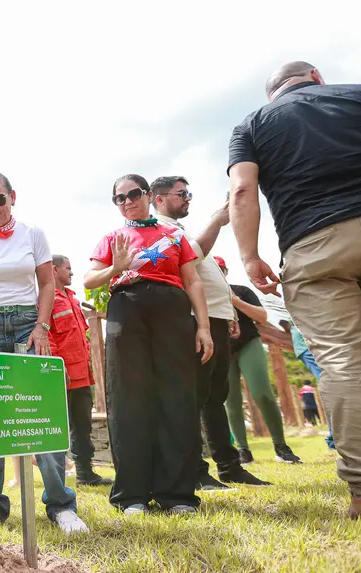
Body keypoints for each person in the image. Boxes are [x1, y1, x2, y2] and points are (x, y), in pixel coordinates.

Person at [227, 51, 361, 520]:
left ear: (273, 92)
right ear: (317, 78)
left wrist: (249, 256)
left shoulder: (252, 125)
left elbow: (242, 190)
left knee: (341, 363)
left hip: (314, 244)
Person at [0, 171, 87, 534]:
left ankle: (61, 505)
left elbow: (47, 282)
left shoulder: (32, 234)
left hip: (29, 324)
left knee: (44, 412)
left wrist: (41, 326)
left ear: (12, 196)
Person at [84, 174, 213, 516]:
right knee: (129, 399)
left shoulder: (174, 235)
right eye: (119, 198)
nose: (127, 201)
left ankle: (177, 495)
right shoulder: (113, 237)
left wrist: (204, 327)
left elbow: (193, 280)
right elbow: (89, 279)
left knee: (176, 397)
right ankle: (132, 495)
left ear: (147, 195)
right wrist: (117, 266)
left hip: (172, 310)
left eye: (133, 194)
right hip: (127, 308)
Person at [151, 176, 270, 489]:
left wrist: (228, 313)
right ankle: (196, 472)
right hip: (194, 321)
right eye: (182, 194)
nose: (188, 198)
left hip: (216, 318)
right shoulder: (161, 228)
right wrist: (218, 220)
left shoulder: (180, 228)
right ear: (159, 198)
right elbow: (197, 254)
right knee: (195, 398)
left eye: (188, 193)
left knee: (215, 397)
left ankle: (229, 467)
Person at [215, 259, 302, 465]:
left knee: (261, 393)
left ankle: (281, 446)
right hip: (223, 350)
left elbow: (262, 317)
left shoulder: (241, 291)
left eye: (220, 271)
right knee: (231, 401)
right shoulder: (202, 296)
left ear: (226, 272)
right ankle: (243, 450)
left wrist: (235, 301)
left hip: (248, 343)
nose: (217, 274)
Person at [48, 254, 112, 487]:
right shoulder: (47, 300)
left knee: (83, 426)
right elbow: (47, 336)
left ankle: (85, 473)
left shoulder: (73, 299)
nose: (72, 272)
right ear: (54, 270)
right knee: (58, 427)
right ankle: (55, 479)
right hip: (61, 377)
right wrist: (57, 367)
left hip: (82, 375)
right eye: (68, 268)